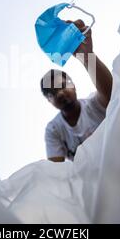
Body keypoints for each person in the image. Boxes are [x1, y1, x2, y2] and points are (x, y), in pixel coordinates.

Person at [40, 19, 113, 162]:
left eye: (62, 86)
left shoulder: (93, 105)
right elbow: (57, 171)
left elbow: (111, 93)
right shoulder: (54, 130)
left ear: (73, 85)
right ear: (49, 101)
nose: (60, 93)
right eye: (53, 93)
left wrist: (87, 57)